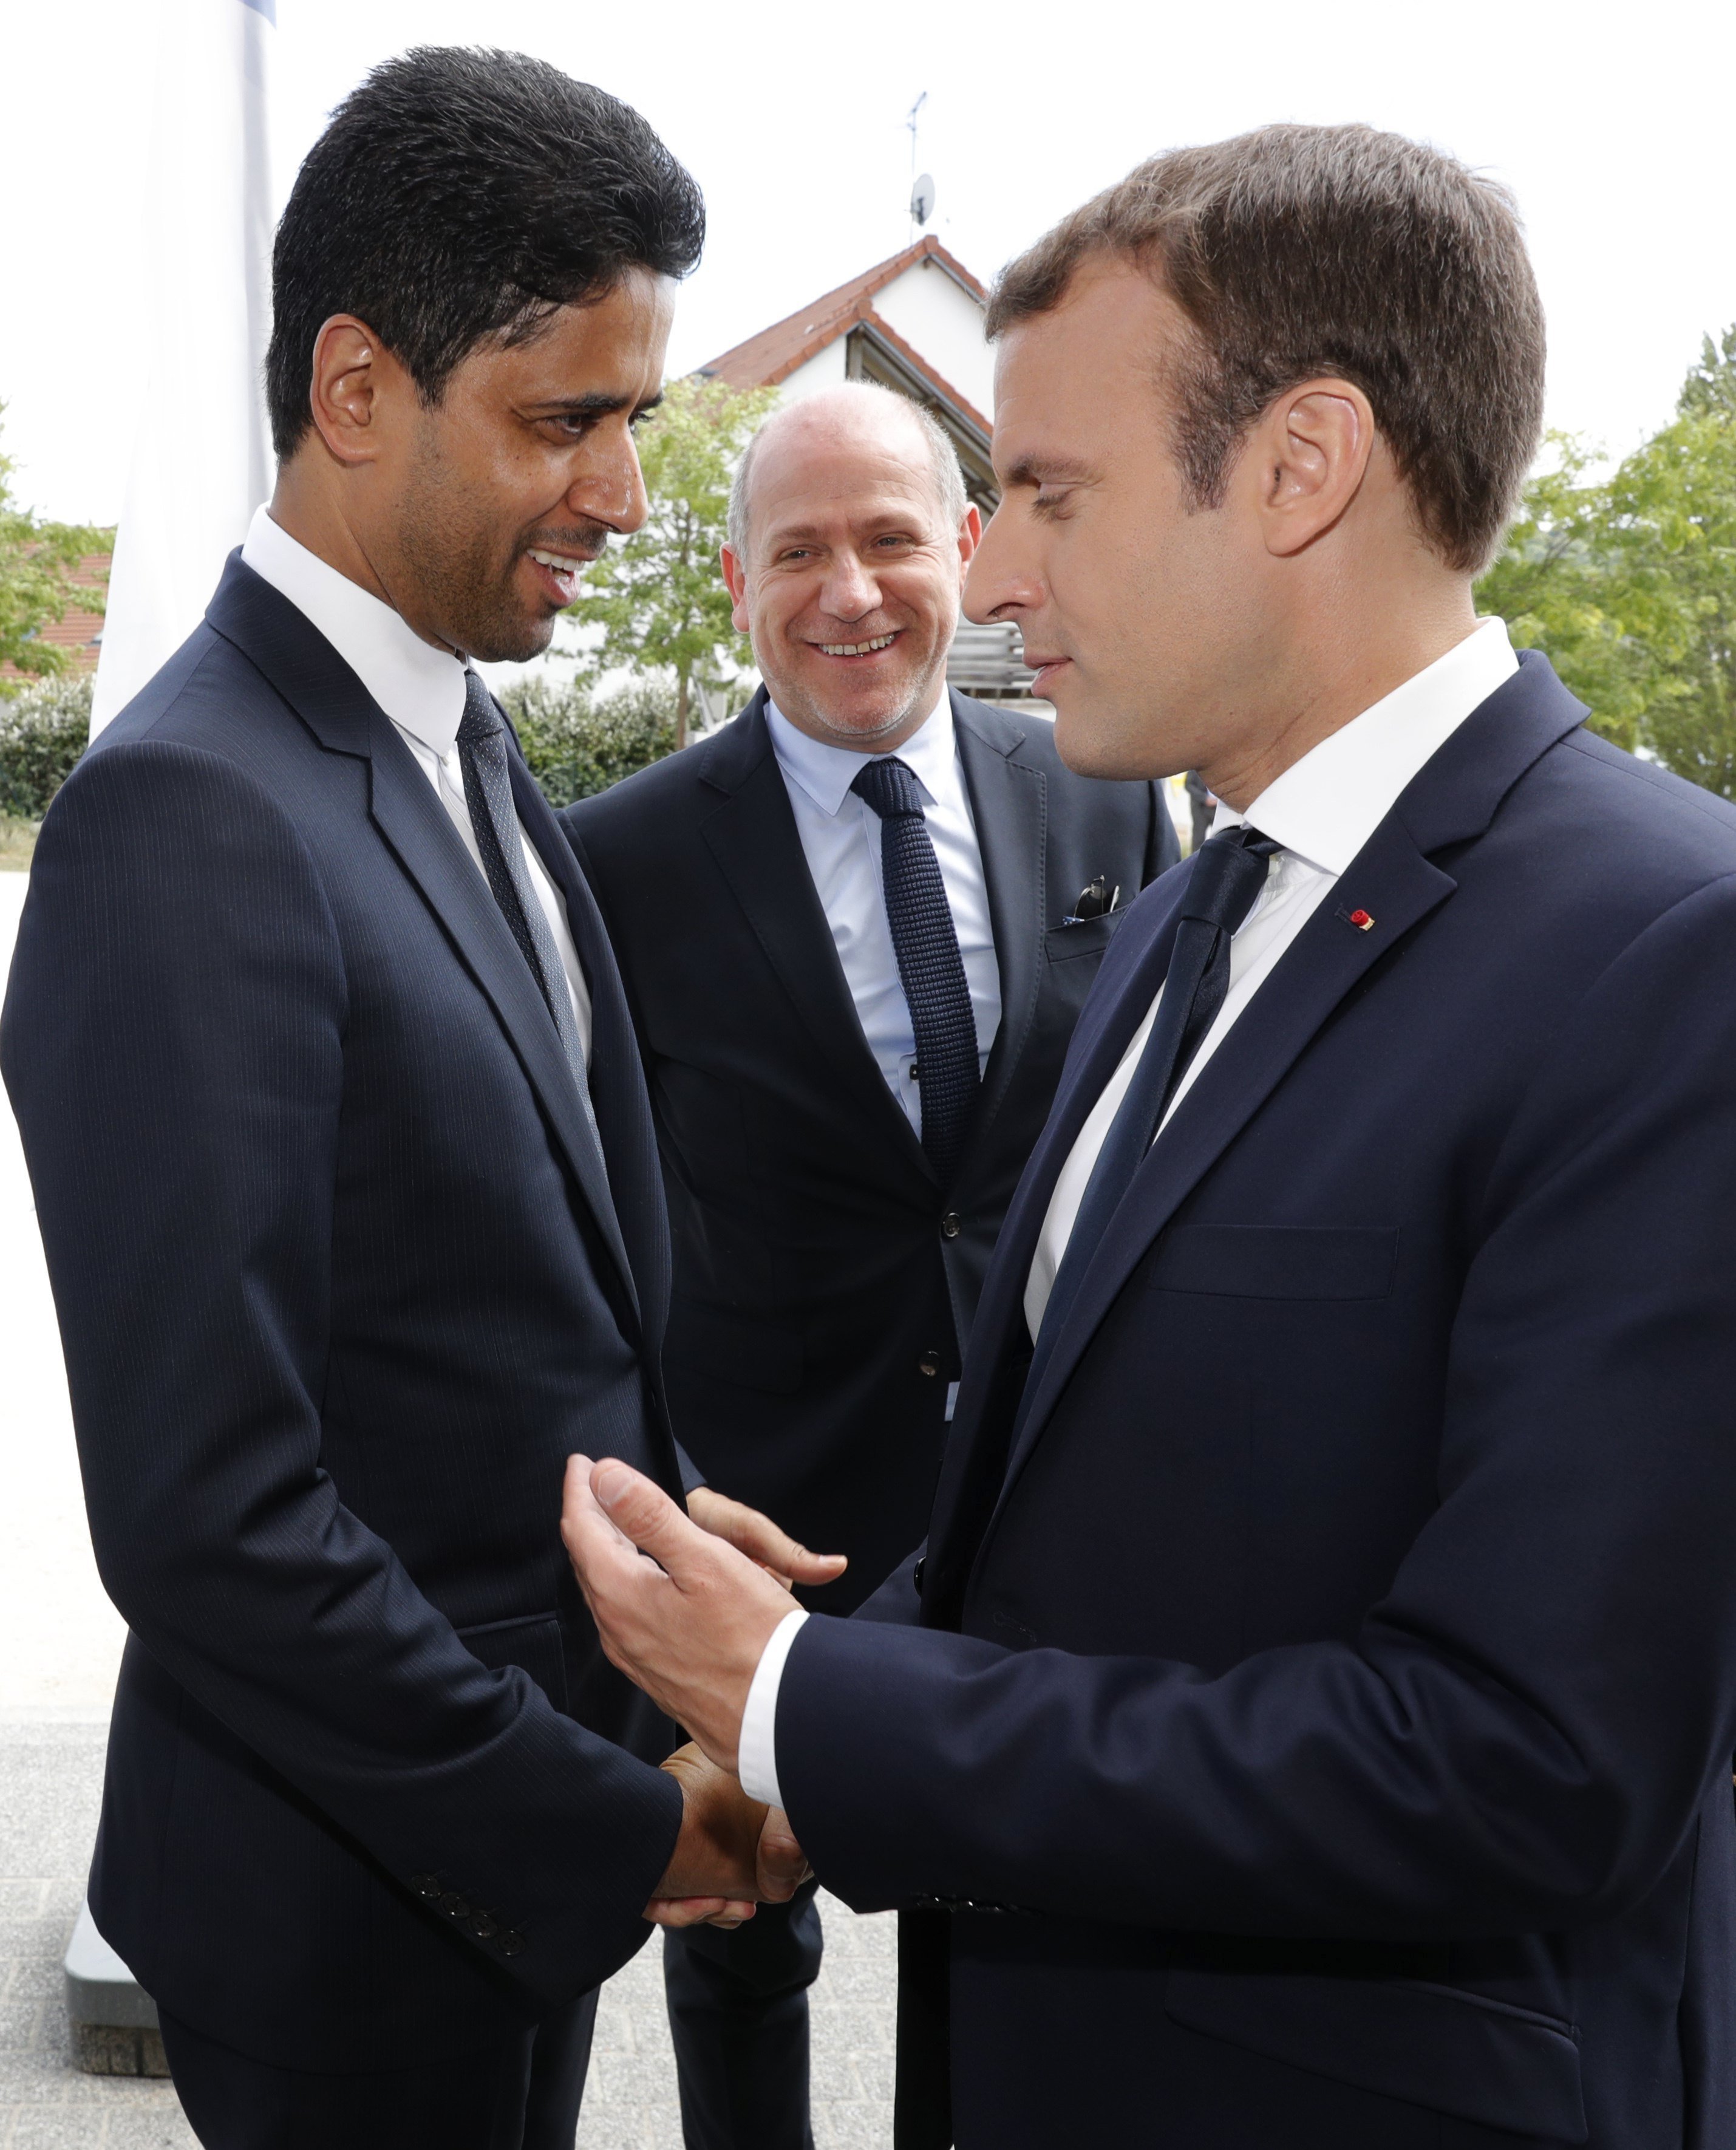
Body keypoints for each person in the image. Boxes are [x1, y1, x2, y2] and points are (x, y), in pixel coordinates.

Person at [561, 123, 1736, 2149]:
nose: (989, 577)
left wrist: (810, 1700)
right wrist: (780, 1752)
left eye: (1043, 492)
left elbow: (1523, 1759)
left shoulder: (1665, 954)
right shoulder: (1196, 895)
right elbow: (1084, 1533)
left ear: (1298, 467)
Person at [0, 49, 826, 2150]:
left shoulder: (450, 740)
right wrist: (604, 1818)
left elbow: (472, 1293)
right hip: (352, 1922)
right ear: (355, 389)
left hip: (488, 1871)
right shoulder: (190, 816)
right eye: (568, 420)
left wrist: (651, 1507)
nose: (630, 497)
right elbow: (210, 1514)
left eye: (635, 420)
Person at [562, 380, 1176, 2149]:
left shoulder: (1105, 796)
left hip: (1042, 1506)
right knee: (744, 1949)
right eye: (799, 551)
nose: (851, 591)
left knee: (1019, 1935)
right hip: (774, 1519)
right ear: (739, 584)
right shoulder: (621, 859)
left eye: (891, 538)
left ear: (964, 549)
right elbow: (604, 1221)